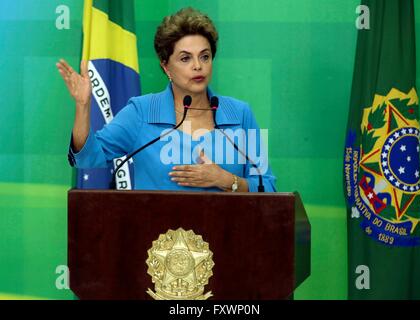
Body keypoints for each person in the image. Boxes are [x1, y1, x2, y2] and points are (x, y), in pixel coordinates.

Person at [56, 7, 276, 192]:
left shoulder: (239, 114)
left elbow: (268, 187)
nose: (197, 66)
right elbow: (86, 159)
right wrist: (83, 106)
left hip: (226, 239)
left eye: (205, 56)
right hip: (158, 240)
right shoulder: (142, 112)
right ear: (165, 65)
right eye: (185, 58)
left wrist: (227, 181)